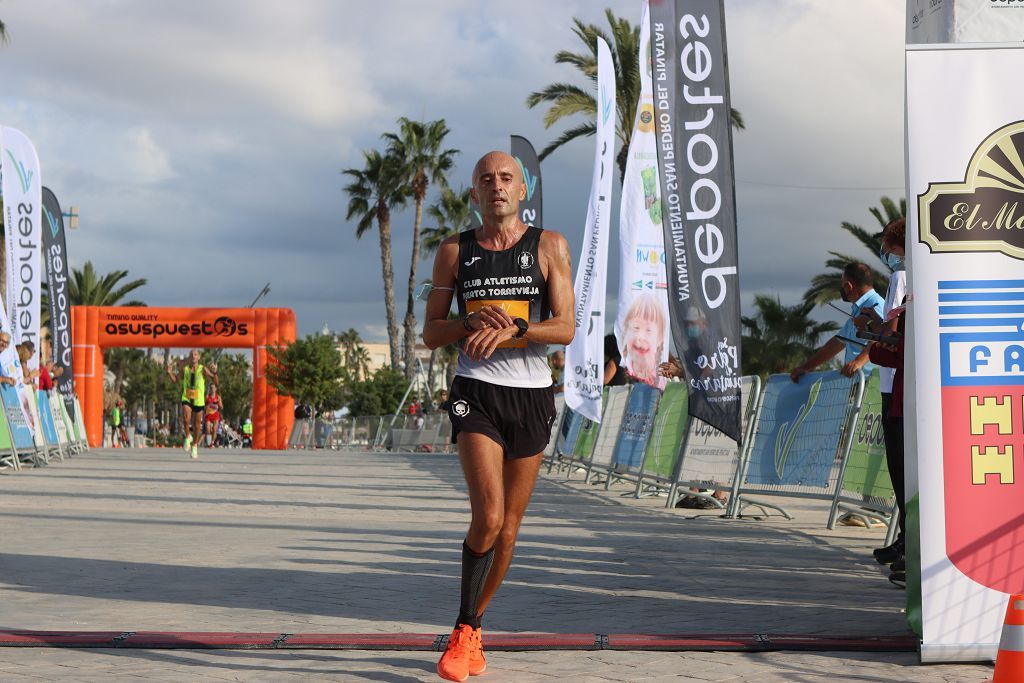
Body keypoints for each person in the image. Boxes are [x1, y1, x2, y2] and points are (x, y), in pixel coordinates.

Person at [422, 150, 574, 682]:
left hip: (532, 394)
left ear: (522, 189)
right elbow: (430, 334)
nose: (497, 186)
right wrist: (468, 323)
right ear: (474, 194)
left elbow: (567, 327)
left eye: (506, 178)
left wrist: (518, 329)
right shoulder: (454, 250)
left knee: (508, 529)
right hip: (476, 391)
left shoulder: (549, 246)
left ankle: (475, 627)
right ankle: (463, 629)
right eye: (486, 180)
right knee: (487, 516)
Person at [857, 218, 909, 571]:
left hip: (897, 384)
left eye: (888, 246)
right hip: (897, 381)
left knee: (902, 469)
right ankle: (906, 540)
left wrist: (870, 331)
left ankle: (909, 543)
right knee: (903, 470)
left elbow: (891, 333)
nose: (886, 254)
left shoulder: (900, 277)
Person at [790, 262, 884, 383]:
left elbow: (881, 336)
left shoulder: (876, 304)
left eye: (842, 285)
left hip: (872, 383)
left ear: (849, 286)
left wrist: (858, 362)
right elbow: (837, 342)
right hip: (858, 383)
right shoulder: (858, 309)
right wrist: (806, 367)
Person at [166, 350, 217, 459]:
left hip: (198, 401)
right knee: (186, 418)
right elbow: (176, 380)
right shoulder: (185, 369)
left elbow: (215, 381)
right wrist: (170, 372)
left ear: (199, 357)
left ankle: (194, 445)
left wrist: (215, 372)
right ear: (189, 358)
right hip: (187, 398)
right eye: (191, 355)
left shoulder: (203, 369)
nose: (193, 357)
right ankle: (188, 436)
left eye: (195, 355)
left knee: (197, 425)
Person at [620, 292, 667, 390]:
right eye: (636, 327)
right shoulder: (623, 372)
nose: (640, 336)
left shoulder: (662, 379)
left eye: (648, 330)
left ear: (660, 338)